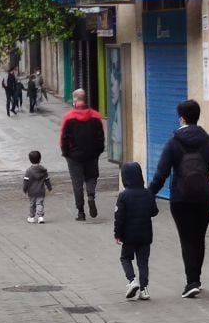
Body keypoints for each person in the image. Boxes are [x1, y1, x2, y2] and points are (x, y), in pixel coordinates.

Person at [148, 99, 209, 298]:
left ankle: (191, 282)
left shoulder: (173, 143)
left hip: (180, 198)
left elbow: (161, 173)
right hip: (205, 198)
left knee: (186, 239)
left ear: (182, 118)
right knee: (199, 238)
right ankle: (197, 279)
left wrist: (149, 194)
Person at [114, 161, 158, 301]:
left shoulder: (123, 196)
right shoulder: (148, 193)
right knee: (143, 262)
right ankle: (144, 290)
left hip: (129, 235)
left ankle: (132, 281)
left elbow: (119, 218)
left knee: (125, 258)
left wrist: (117, 234)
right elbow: (154, 211)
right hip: (145, 235)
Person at [59, 88, 105, 221]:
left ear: (75, 100)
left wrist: (65, 152)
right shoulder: (96, 116)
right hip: (91, 155)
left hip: (74, 156)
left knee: (77, 182)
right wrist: (98, 152)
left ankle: (80, 212)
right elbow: (100, 137)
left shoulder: (68, 117)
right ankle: (91, 195)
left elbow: (63, 137)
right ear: (85, 99)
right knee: (91, 177)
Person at [22, 150, 53, 224]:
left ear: (30, 160)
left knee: (32, 204)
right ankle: (40, 217)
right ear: (40, 159)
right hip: (41, 190)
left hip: (32, 191)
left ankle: (32, 217)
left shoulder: (29, 171)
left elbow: (26, 181)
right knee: (40, 204)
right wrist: (49, 188)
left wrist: (24, 189)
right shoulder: (43, 170)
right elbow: (47, 180)